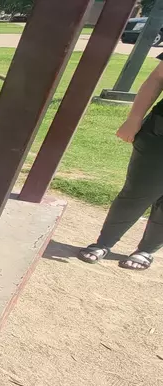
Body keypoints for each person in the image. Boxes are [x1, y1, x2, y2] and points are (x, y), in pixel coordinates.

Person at [77, 54, 163, 271]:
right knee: (138, 190)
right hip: (160, 133)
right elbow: (158, 78)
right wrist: (134, 118)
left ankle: (147, 250)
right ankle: (104, 242)